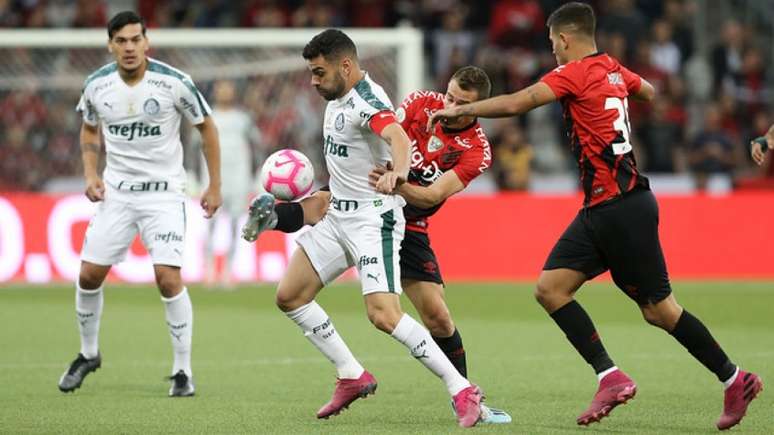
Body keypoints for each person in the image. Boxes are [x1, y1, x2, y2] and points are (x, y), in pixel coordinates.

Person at [427, 2, 762, 430]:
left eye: (553, 44)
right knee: (551, 289)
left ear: (565, 39)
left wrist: (461, 110)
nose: (552, 52)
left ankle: (735, 379)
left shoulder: (574, 72)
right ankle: (610, 376)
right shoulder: (613, 68)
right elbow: (650, 92)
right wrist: (617, 88)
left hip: (619, 207)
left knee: (661, 310)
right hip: (606, 207)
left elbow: (520, 102)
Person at [242, 66, 512, 424]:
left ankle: (465, 392)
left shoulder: (477, 150)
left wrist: (397, 181)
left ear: (478, 109)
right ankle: (277, 218)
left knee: (437, 317)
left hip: (409, 221)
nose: (450, 106)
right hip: (367, 199)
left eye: (462, 105)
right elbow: (390, 137)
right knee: (323, 208)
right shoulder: (420, 103)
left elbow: (432, 194)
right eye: (449, 96)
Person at [58, 11, 222, 397]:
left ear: (147, 42)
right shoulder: (96, 86)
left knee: (167, 278)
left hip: (164, 194)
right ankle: (88, 353)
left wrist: (214, 186)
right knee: (87, 277)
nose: (129, 47)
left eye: (136, 39)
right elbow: (89, 127)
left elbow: (207, 128)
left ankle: (182, 371)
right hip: (117, 194)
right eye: (122, 41)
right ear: (110, 45)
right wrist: (90, 173)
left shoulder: (174, 83)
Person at [200, 79, 261, 288]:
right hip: (213, 178)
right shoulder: (207, 118)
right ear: (215, 91)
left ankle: (228, 270)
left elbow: (256, 146)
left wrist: (255, 174)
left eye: (229, 87)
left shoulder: (243, 119)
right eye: (221, 87)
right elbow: (194, 146)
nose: (225, 91)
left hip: (238, 177)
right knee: (211, 223)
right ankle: (207, 269)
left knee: (236, 225)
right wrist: (192, 172)